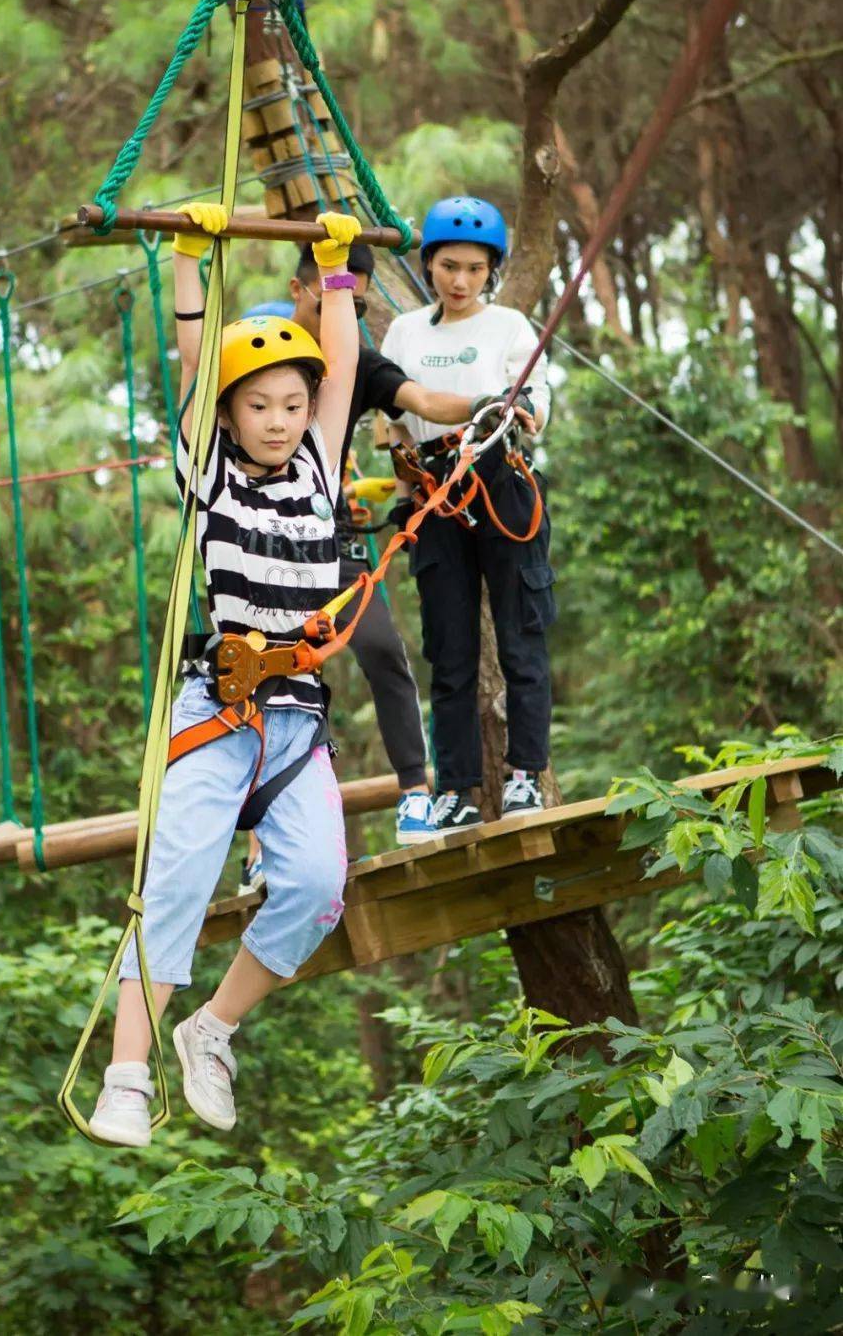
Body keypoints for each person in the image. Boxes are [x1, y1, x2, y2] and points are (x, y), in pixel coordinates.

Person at [90, 203, 361, 1149]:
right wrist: (188, 268)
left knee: (321, 887)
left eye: (291, 406)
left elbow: (346, 372)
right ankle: (127, 1073)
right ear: (232, 413)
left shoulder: (322, 469)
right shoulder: (210, 467)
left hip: (298, 720)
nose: (281, 422)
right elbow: (195, 365)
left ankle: (214, 1026)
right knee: (174, 885)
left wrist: (336, 273)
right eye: (260, 406)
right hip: (221, 706)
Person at [239, 238, 478, 861]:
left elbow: (424, 402)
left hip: (331, 538)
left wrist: (488, 403)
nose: (341, 321)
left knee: (380, 649)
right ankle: (263, 844)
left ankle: (415, 795)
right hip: (258, 543)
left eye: (356, 307)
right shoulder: (262, 354)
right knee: (267, 676)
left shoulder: (358, 366)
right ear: (298, 292)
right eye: (329, 304)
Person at [381, 196, 557, 831]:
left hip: (500, 479)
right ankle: (456, 787)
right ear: (428, 265)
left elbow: (535, 400)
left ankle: (523, 779)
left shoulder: (509, 327)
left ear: (493, 271)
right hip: (435, 489)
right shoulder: (404, 332)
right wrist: (405, 505)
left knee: (521, 641)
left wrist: (527, 410)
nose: (460, 282)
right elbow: (394, 426)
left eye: (476, 270)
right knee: (449, 653)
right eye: (449, 266)